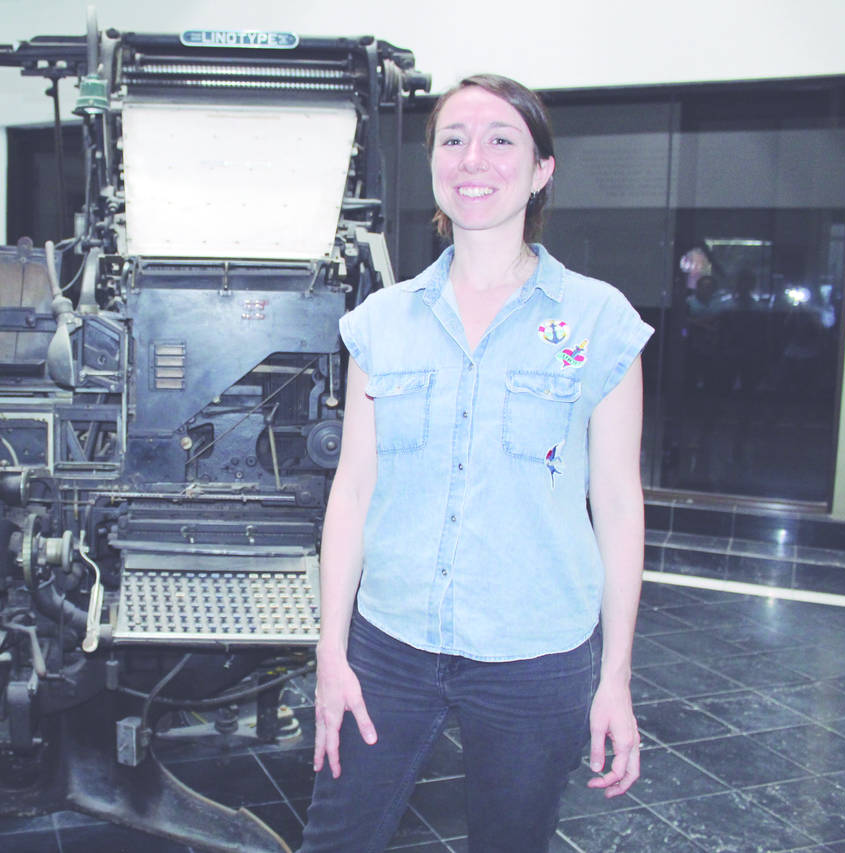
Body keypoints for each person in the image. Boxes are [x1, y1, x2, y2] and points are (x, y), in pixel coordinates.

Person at [299, 74, 653, 853]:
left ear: (541, 170)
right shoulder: (381, 324)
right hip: (389, 645)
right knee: (335, 840)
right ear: (433, 164)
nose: (473, 159)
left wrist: (616, 677)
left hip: (536, 655)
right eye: (453, 140)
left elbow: (619, 504)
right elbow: (351, 492)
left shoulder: (598, 320)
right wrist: (331, 651)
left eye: (501, 140)